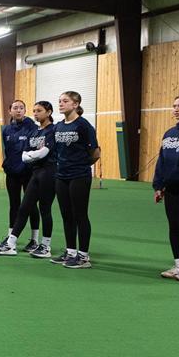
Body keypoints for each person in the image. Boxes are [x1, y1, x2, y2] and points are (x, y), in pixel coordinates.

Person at [0, 101, 58, 258]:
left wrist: (31, 155)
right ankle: (11, 244)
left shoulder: (52, 130)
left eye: (39, 110)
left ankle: (44, 245)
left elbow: (43, 152)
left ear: (48, 112)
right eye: (34, 111)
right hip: (35, 173)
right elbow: (26, 154)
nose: (35, 113)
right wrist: (31, 155)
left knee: (44, 209)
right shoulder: (36, 132)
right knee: (23, 207)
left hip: (47, 173)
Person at [51, 91, 100, 269]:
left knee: (80, 215)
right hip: (61, 176)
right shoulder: (58, 126)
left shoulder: (83, 125)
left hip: (79, 176)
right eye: (59, 101)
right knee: (66, 215)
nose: (61, 104)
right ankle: (70, 251)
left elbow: (95, 153)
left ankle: (84, 256)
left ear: (75, 104)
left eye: (65, 101)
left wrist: (80, 165)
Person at [2, 100, 40, 250]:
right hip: (12, 173)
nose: (18, 110)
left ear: (25, 111)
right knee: (14, 204)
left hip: (28, 173)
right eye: (15, 108)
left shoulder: (33, 128)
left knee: (31, 205)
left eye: (21, 108)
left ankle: (34, 240)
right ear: (10, 111)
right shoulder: (6, 130)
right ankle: (11, 237)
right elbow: (8, 151)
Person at [153, 95, 179, 280]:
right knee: (175, 227)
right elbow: (162, 161)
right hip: (171, 189)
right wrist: (159, 185)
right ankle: (178, 265)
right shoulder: (169, 134)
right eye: (174, 106)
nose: (176, 109)